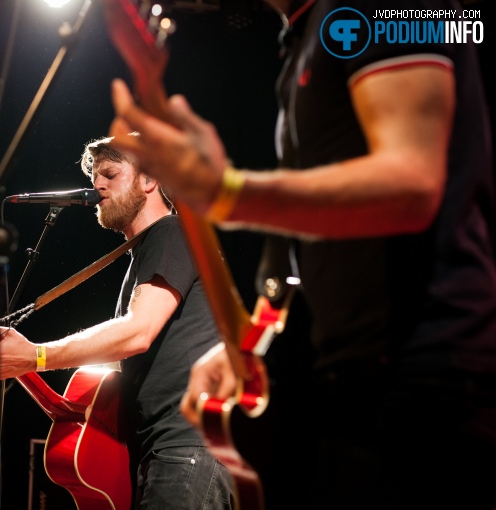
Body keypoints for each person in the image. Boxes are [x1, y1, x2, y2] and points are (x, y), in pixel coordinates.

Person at [104, 0, 496, 509]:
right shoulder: (304, 37)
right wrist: (254, 341)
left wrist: (227, 192)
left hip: (429, 380)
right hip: (348, 384)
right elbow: (322, 237)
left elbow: (414, 185)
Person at [0, 134, 237, 509]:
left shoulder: (174, 233)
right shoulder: (142, 257)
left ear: (148, 179)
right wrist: (25, 361)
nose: (98, 184)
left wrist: (38, 356)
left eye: (111, 174)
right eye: (96, 176)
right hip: (161, 453)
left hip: (185, 450)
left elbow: (137, 332)